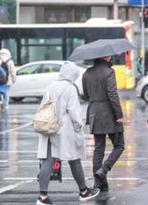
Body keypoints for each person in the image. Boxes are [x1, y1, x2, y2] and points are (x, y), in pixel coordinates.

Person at [36, 61, 100, 205]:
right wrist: (80, 126)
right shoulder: (70, 88)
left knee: (47, 160)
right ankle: (83, 191)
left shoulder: (50, 86)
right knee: (74, 158)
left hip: (48, 127)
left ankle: (43, 196)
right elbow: (74, 111)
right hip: (64, 130)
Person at [82, 56, 125, 191]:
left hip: (94, 112)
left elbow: (85, 94)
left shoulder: (87, 73)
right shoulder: (109, 72)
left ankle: (99, 183)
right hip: (109, 113)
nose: (110, 57)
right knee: (119, 145)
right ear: (105, 57)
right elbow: (112, 94)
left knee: (99, 148)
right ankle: (104, 170)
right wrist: (119, 114)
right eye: (109, 55)